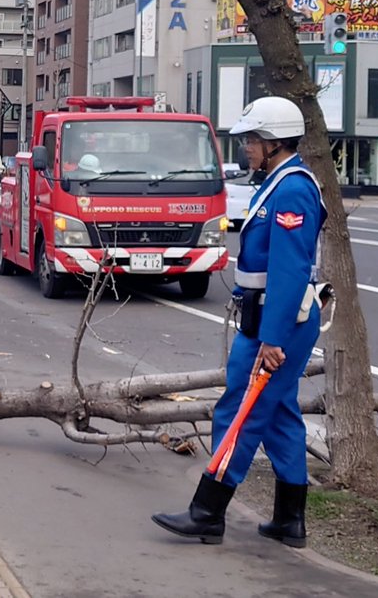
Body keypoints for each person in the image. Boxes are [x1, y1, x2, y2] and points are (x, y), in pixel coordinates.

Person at [152, 95, 325, 549]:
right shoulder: (279, 182)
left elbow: (289, 270)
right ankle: (290, 520)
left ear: (274, 141)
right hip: (268, 316)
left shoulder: (292, 189)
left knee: (240, 411)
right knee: (280, 414)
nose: (245, 146)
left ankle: (207, 512)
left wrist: (272, 339)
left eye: (252, 139)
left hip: (275, 323)